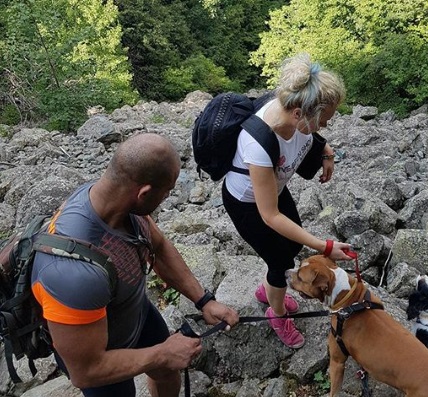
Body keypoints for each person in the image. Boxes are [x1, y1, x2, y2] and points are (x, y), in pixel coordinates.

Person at [31, 133, 239, 397]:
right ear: (144, 192)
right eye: (168, 191)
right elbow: (86, 371)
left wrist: (204, 300)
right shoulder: (72, 273)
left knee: (166, 371)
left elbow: (159, 247)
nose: (168, 197)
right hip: (101, 353)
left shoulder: (119, 201)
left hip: (134, 310)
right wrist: (162, 353)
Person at [222, 53, 353, 349]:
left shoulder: (297, 109)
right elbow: (269, 216)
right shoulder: (257, 142)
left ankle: (268, 290)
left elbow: (309, 138)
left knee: (292, 246)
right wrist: (324, 246)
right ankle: (276, 313)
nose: (325, 127)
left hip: (274, 189)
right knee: (281, 261)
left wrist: (327, 152)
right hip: (247, 204)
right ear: (298, 114)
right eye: (324, 121)